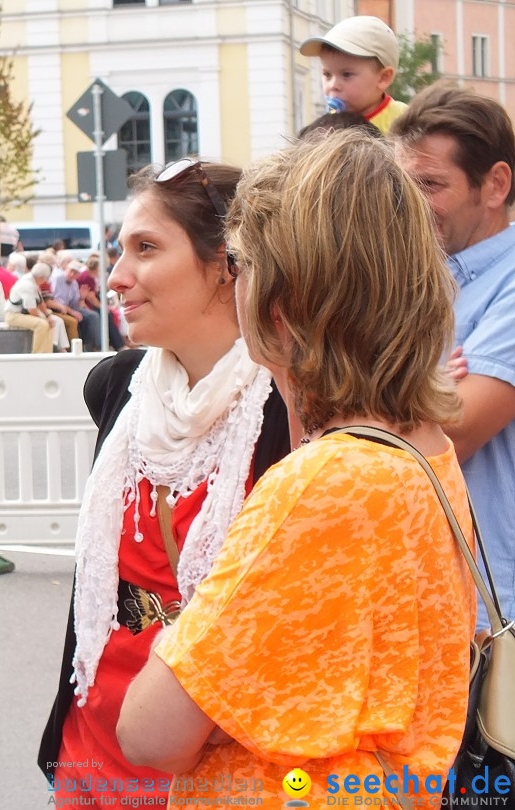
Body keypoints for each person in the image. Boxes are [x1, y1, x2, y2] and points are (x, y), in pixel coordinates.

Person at [118, 130, 475, 805]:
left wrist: (195, 655)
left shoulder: (322, 482)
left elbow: (149, 733)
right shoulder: (421, 450)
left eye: (241, 262)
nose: (233, 280)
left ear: (284, 298)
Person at [39, 158, 290, 805]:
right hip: (89, 755)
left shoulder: (289, 416)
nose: (117, 277)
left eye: (146, 249)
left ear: (224, 263)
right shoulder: (117, 387)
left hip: (212, 773)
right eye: (121, 251)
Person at [392, 83, 515, 630]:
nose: (410, 204)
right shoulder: (420, 277)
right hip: (428, 596)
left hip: (492, 605)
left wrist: (393, 383)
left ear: (496, 185)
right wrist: (425, 386)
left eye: (431, 185)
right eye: (403, 185)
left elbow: (458, 429)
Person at [299, 15, 407, 134]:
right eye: (327, 74)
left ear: (383, 78)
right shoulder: (327, 127)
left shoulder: (404, 120)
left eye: (346, 75)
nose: (333, 85)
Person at [5, 261, 65, 353]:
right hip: (13, 315)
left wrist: (48, 315)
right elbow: (32, 309)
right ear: (43, 277)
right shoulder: (27, 285)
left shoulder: (33, 281)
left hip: (23, 314)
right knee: (42, 324)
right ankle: (38, 354)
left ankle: (47, 352)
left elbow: (40, 302)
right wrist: (45, 318)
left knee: (51, 322)